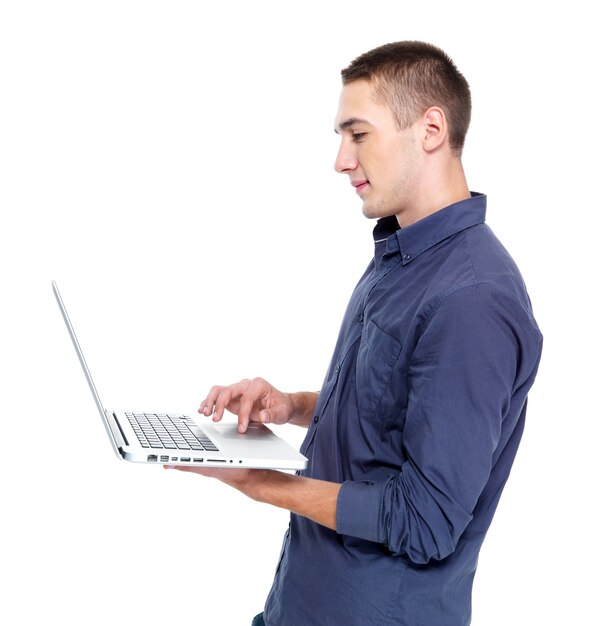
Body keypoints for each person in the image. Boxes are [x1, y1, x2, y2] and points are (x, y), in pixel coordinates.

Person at [167, 41, 543, 625]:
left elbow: (427, 521)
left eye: (358, 134)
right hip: (302, 602)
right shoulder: (403, 255)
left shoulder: (473, 300)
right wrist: (289, 406)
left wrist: (264, 485)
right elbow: (391, 409)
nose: (341, 160)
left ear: (431, 129)